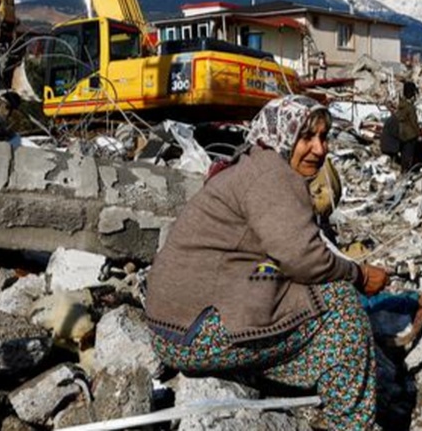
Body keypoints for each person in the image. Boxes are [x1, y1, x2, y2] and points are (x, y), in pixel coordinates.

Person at [145, 95, 389, 430]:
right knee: (341, 308)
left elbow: (286, 252)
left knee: (295, 295)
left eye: (323, 137)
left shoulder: (253, 163)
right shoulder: (271, 176)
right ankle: (349, 423)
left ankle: (281, 382)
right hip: (194, 334)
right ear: (283, 135)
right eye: (307, 137)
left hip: (171, 328)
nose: (320, 149)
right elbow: (304, 259)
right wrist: (359, 275)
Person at [396, 81, 419, 172]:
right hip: (410, 135)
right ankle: (408, 172)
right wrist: (418, 133)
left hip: (402, 133)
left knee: (404, 155)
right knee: (409, 155)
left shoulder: (401, 105)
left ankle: (403, 170)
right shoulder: (410, 108)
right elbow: (414, 122)